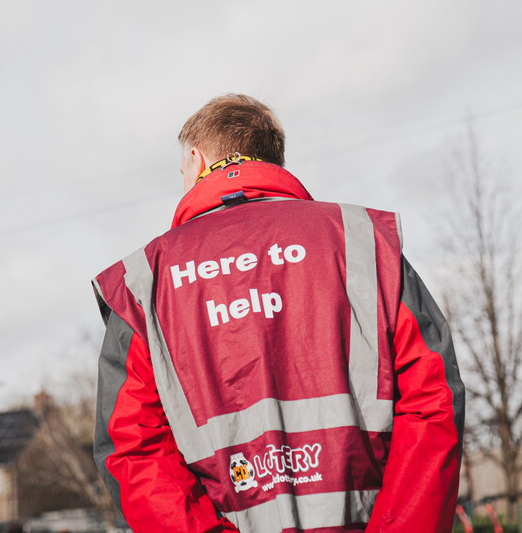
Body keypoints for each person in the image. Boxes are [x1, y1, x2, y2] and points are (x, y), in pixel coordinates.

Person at [92, 94, 464, 532]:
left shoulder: (146, 283)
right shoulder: (363, 245)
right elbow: (431, 403)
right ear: (275, 161)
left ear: (196, 159)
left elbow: (133, 448)